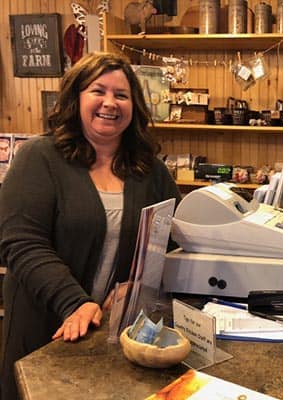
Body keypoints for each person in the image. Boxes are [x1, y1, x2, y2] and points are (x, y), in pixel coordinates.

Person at [0, 52, 181, 400]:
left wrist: (139, 284)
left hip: (114, 337)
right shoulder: (39, 157)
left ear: (135, 106)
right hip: (45, 332)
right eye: (98, 91)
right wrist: (75, 303)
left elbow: (172, 240)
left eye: (122, 95)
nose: (110, 103)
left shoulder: (150, 170)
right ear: (76, 97)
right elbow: (22, 244)